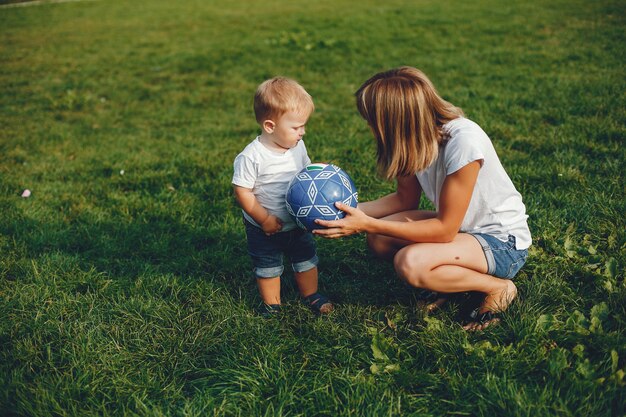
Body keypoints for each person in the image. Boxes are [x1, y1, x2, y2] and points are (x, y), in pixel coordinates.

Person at [314, 67, 531, 330]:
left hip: (501, 244)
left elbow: (444, 230)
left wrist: (367, 223)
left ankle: (498, 288)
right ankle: (447, 281)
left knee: (410, 263)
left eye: (371, 120)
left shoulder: (463, 143)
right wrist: (340, 213)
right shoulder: (412, 140)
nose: (370, 127)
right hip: (463, 232)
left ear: (393, 120)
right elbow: (404, 200)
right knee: (379, 240)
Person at [232, 77, 333, 317]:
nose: (303, 132)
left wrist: (320, 172)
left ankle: (311, 294)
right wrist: (264, 218)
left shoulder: (298, 146)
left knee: (306, 260)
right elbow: (242, 191)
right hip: (264, 228)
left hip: (297, 221)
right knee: (268, 267)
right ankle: (272, 304)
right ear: (270, 126)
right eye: (296, 127)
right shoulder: (252, 157)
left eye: (303, 126)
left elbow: (306, 170)